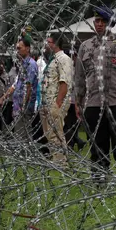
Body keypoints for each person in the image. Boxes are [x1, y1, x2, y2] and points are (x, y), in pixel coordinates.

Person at [75, 6, 116, 181]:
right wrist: (78, 102)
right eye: (97, 21)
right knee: (97, 144)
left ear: (111, 23)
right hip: (93, 103)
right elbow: (79, 77)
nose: (99, 24)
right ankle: (99, 178)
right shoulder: (86, 47)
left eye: (103, 21)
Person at [40, 33, 73, 163]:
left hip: (55, 102)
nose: (46, 45)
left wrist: (57, 103)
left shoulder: (64, 59)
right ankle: (56, 158)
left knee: (56, 133)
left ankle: (60, 162)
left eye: (49, 42)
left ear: (55, 44)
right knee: (50, 133)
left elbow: (64, 82)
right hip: (47, 102)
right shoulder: (53, 60)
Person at [0, 38, 38, 141]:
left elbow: (28, 87)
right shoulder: (23, 65)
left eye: (19, 48)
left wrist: (23, 106)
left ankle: (24, 154)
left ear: (27, 49)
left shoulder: (31, 65)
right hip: (18, 104)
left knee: (23, 135)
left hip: (23, 106)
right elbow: (16, 84)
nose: (17, 51)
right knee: (19, 133)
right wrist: (5, 96)